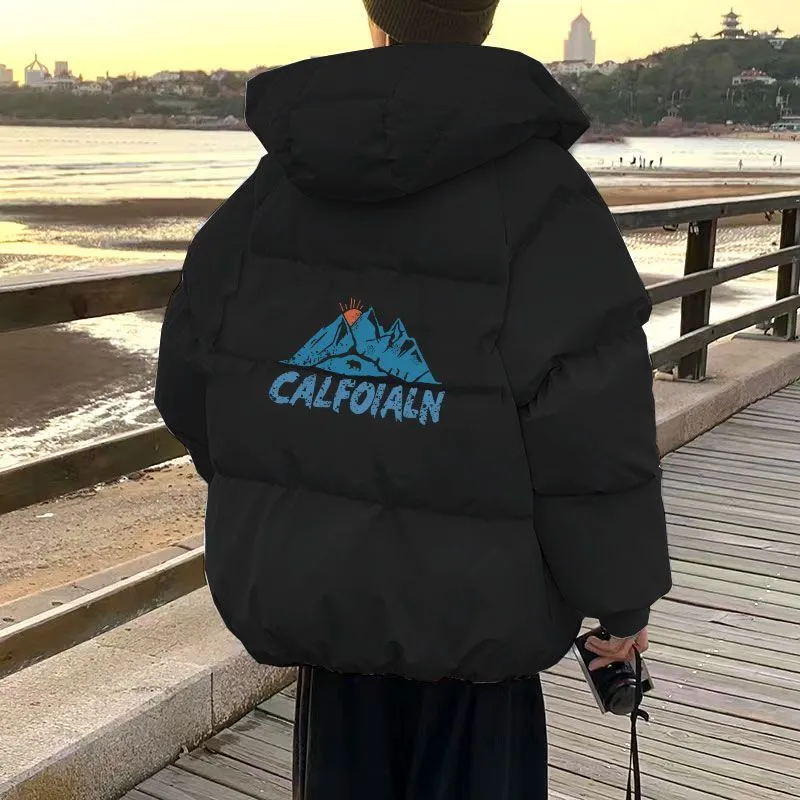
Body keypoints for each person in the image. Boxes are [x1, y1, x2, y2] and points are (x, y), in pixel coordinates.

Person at [155, 0, 672, 797]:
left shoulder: (278, 184)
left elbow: (191, 381)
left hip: (326, 606)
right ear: (485, 21)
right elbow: (590, 425)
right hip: (481, 625)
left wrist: (291, 484)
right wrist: (621, 600)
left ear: (376, 21)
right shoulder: (540, 192)